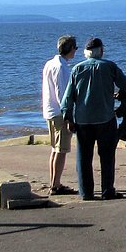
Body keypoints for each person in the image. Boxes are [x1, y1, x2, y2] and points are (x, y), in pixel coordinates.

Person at [59, 37, 126, 201]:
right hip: (105, 118)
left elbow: (67, 99)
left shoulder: (77, 69)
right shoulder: (109, 66)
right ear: (101, 51)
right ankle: (107, 190)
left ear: (86, 52)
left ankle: (86, 192)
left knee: (83, 158)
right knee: (107, 156)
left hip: (82, 120)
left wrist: (68, 118)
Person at [41, 34, 78, 196]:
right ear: (70, 48)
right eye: (75, 48)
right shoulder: (61, 67)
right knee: (61, 150)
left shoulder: (50, 63)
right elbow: (62, 94)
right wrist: (69, 116)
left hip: (49, 111)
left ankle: (54, 182)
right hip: (59, 113)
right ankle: (56, 185)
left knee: (55, 149)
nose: (75, 51)